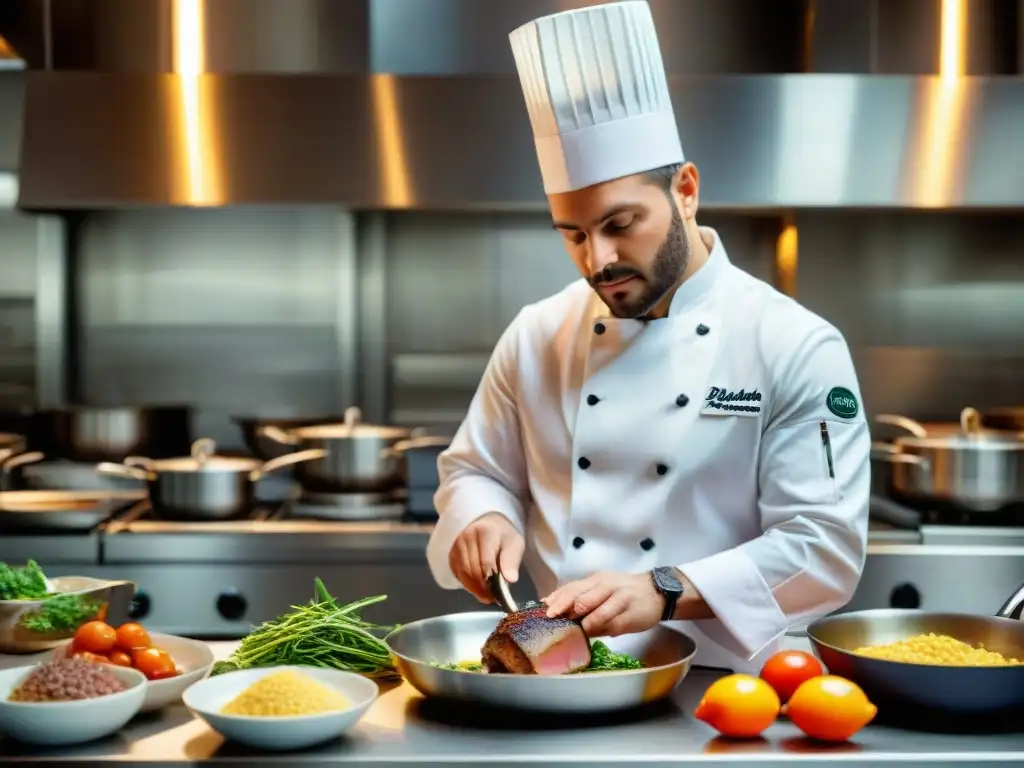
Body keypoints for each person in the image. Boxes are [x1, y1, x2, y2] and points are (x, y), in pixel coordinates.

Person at [425, 0, 870, 672]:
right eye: (572, 234)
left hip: (723, 691)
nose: (596, 259)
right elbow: (476, 470)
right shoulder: (536, 334)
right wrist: (482, 518)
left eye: (620, 222)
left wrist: (665, 589)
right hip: (559, 678)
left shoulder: (792, 344)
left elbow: (823, 547)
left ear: (685, 190)